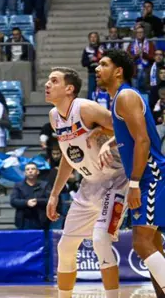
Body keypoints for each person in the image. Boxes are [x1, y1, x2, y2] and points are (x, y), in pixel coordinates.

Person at [43, 67, 126, 298]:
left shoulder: (86, 108)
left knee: (100, 240)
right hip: (89, 184)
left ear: (69, 89)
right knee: (65, 247)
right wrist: (54, 193)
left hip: (116, 180)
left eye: (54, 81)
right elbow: (70, 158)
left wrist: (101, 131)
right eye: (48, 81)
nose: (47, 85)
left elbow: (129, 127)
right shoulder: (53, 117)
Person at [97, 49, 165, 292]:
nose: (97, 68)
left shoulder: (125, 96)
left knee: (141, 243)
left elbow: (143, 140)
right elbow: (131, 133)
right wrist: (110, 141)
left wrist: (135, 183)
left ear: (118, 71)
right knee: (153, 245)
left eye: (103, 64)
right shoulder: (120, 99)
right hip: (149, 176)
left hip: (151, 176)